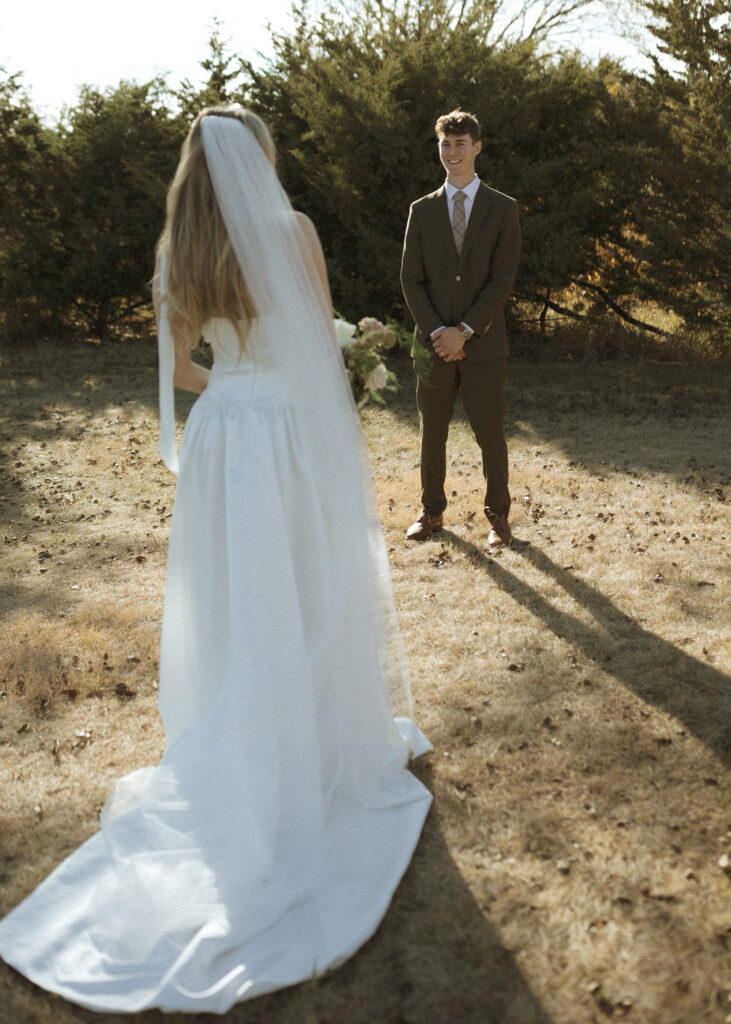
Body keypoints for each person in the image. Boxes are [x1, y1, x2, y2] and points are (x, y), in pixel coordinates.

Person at [0, 106, 432, 1014]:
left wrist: (235, 374)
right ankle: (311, 744)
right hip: (282, 430)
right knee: (307, 582)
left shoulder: (179, 247)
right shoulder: (293, 229)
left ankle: (241, 731)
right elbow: (317, 339)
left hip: (222, 431)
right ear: (260, 161)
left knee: (237, 596)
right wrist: (328, 375)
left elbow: (180, 370)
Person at [401, 108, 521, 545]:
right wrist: (440, 334)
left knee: (490, 431)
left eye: (460, 144)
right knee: (432, 432)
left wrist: (464, 331)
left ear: (476, 148)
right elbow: (410, 279)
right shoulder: (421, 210)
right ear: (439, 149)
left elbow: (501, 279)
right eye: (445, 144)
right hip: (432, 346)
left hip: (484, 346)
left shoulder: (502, 209)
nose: (452, 152)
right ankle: (431, 513)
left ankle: (498, 519)